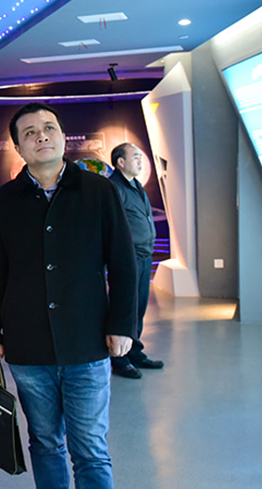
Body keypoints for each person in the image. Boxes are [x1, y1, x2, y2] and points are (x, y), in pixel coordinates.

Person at [0, 102, 137, 489]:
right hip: (28, 346)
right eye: (30, 132)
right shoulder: (2, 203)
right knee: (45, 443)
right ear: (19, 147)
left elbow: (123, 262)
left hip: (87, 341)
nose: (41, 136)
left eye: (49, 128)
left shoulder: (99, 191)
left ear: (64, 137)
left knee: (90, 448)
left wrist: (122, 324)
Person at [109, 142, 164, 379]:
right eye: (135, 157)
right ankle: (119, 358)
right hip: (128, 258)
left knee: (139, 307)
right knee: (126, 308)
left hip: (143, 255)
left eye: (141, 156)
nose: (140, 161)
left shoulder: (136, 185)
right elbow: (112, 225)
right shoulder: (114, 188)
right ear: (120, 162)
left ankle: (134, 350)